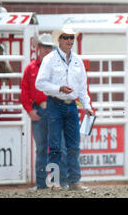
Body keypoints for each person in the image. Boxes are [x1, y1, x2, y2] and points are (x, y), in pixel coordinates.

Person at [35, 27, 93, 191]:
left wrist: (87, 106)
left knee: (73, 145)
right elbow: (40, 83)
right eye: (66, 37)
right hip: (55, 104)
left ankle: (74, 181)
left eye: (71, 38)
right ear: (59, 40)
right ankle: (54, 181)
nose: (69, 41)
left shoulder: (77, 61)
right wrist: (58, 88)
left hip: (71, 106)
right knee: (55, 145)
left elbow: (82, 88)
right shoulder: (50, 59)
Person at [21, 34, 68, 191]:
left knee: (57, 147)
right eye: (44, 47)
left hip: (55, 109)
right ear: (38, 48)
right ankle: (41, 184)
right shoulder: (30, 68)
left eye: (49, 47)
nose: (46, 50)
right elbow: (25, 92)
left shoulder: (58, 67)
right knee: (41, 147)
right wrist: (29, 110)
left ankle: (58, 182)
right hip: (39, 111)